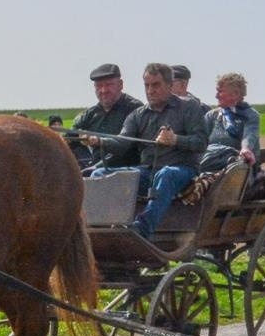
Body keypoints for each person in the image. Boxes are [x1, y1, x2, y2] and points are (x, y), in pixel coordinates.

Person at [84, 63, 208, 239]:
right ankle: (100, 227)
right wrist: (99, 141)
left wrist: (175, 140)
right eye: (147, 85)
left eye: (156, 85)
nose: (150, 90)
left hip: (183, 170)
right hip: (148, 171)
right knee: (99, 174)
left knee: (166, 174)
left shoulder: (189, 107)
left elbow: (201, 142)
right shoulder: (138, 115)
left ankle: (142, 228)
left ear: (169, 85)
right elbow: (122, 142)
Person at [69, 63, 142, 167]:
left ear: (120, 85)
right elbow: (68, 138)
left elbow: (124, 145)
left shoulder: (135, 109)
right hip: (96, 169)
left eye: (109, 85)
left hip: (127, 170)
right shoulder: (89, 115)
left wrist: (97, 141)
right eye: (99, 86)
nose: (104, 90)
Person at [200, 71, 260, 172]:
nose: (216, 96)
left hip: (240, 167)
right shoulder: (212, 115)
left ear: (236, 94)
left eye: (220, 91)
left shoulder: (250, 115)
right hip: (210, 164)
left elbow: (249, 135)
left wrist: (246, 149)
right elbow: (201, 139)